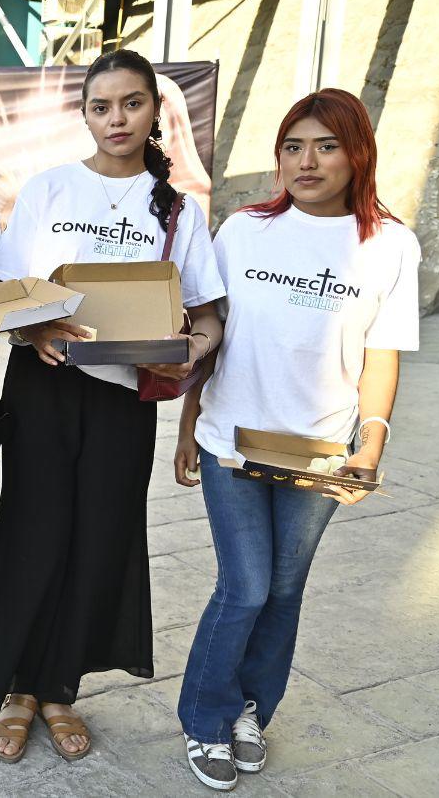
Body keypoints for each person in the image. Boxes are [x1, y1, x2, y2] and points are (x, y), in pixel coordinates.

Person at [0, 49, 226, 764]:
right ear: (84, 113)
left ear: (155, 112)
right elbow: (3, 293)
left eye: (132, 104)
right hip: (44, 385)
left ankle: (60, 690)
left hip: (123, 398)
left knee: (100, 536)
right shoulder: (51, 188)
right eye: (102, 106)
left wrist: (179, 352)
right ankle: (17, 689)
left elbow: (208, 318)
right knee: (34, 529)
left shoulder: (178, 210)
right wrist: (36, 326)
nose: (117, 119)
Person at [172, 89, 420, 792]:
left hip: (318, 452)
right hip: (233, 439)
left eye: (325, 145)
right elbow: (213, 332)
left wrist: (370, 445)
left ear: (357, 153)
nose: (305, 161)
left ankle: (251, 707)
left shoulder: (390, 245)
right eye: (292, 146)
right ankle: (206, 717)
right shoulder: (244, 231)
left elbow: (383, 352)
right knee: (245, 585)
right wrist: (189, 425)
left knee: (284, 588)